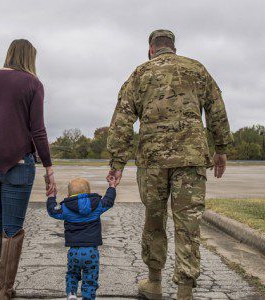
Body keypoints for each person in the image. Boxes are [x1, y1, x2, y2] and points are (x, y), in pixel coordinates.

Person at [106, 29, 233, 299]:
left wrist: (117, 162)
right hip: (190, 158)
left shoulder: (140, 73)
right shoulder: (196, 69)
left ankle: (154, 283)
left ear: (151, 48)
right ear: (173, 47)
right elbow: (216, 110)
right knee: (188, 224)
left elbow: (122, 119)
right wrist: (221, 149)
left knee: (154, 221)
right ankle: (184, 291)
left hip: (153, 161)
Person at [0, 39, 57, 300]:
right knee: (12, 228)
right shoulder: (33, 83)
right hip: (18, 164)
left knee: (1, 224)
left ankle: (3, 287)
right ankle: (5, 290)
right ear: (30, 58)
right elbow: (38, 129)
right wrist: (48, 167)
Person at [46, 177, 117, 300]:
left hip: (74, 251)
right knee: (90, 277)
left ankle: (72, 293)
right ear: (89, 193)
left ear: (69, 194)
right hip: (91, 252)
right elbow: (109, 201)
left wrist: (51, 196)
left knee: (72, 273)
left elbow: (53, 211)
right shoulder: (97, 205)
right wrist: (112, 187)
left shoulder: (66, 208)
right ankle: (88, 297)